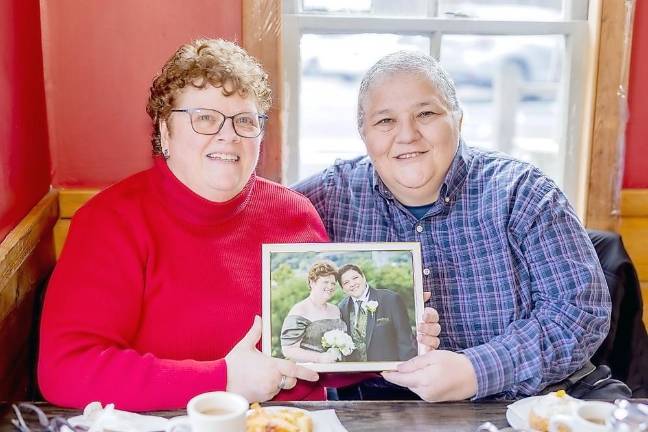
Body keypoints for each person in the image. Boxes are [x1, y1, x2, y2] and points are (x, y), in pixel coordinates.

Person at [294, 51, 611, 402]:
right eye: (385, 121)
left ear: (458, 119)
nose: (407, 135)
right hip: (379, 409)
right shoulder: (326, 197)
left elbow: (581, 314)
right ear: (363, 133)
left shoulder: (523, 193)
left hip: (525, 403)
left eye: (426, 114)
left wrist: (476, 370)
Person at [38, 38, 328, 411]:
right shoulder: (110, 222)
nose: (228, 134)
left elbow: (325, 357)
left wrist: (398, 346)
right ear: (165, 131)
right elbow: (67, 369)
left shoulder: (295, 214)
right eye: (205, 118)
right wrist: (223, 380)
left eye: (245, 120)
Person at [337, 264, 417, 362]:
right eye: (346, 282)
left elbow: (405, 340)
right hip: (357, 373)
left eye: (355, 278)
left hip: (388, 371)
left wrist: (407, 367)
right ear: (343, 289)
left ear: (363, 277)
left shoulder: (390, 299)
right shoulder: (342, 307)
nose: (352, 284)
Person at [280, 261, 349, 363]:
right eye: (325, 282)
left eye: (333, 283)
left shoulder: (335, 309)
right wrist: (319, 358)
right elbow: (288, 350)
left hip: (337, 369)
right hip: (311, 371)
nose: (330, 287)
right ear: (312, 283)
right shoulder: (300, 310)